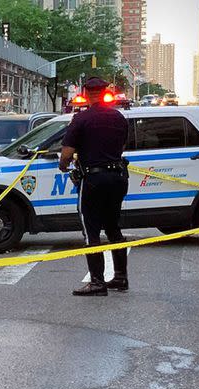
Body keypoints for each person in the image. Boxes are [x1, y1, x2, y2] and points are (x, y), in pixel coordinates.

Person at [59, 76, 130, 297]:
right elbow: (122, 145)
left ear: (86, 92)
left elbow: (67, 155)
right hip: (118, 178)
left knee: (91, 230)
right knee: (113, 226)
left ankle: (97, 282)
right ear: (105, 90)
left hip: (93, 180)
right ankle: (120, 277)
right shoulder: (119, 118)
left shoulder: (81, 119)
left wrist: (64, 165)